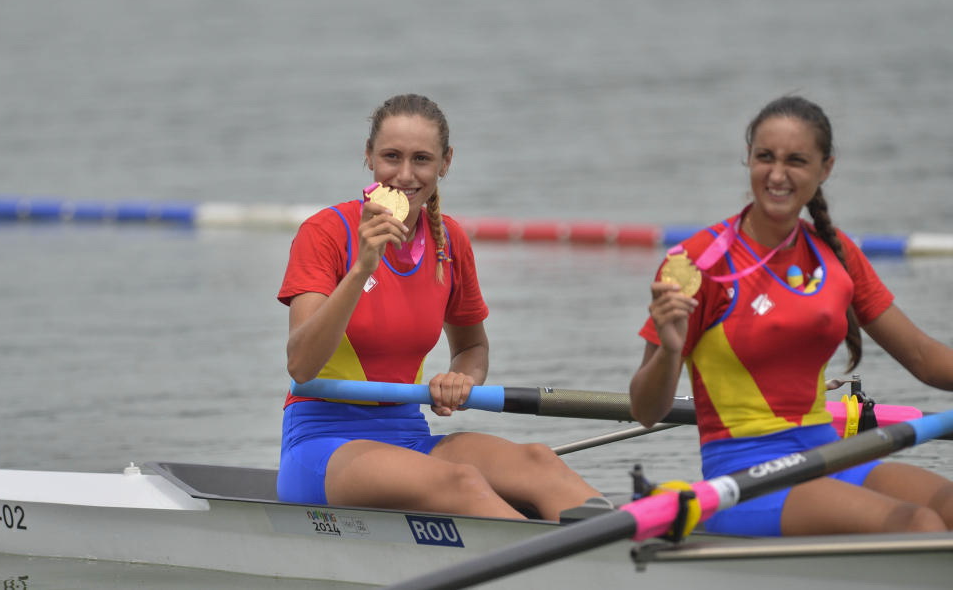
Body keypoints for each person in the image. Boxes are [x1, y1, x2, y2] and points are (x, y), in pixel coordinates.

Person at [630, 95, 953, 537]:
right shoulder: (698, 262)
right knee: (919, 523)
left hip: (828, 457)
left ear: (825, 169)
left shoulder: (834, 251)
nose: (777, 175)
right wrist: (669, 352)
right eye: (765, 157)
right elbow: (646, 410)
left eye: (796, 161)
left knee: (948, 508)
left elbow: (922, 356)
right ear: (748, 159)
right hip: (745, 479)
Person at [277, 93, 601, 520]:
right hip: (324, 444)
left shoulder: (450, 241)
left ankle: (632, 555)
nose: (405, 175)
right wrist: (361, 269)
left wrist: (462, 380)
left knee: (538, 461)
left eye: (422, 160)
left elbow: (472, 348)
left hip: (410, 437)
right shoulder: (325, 233)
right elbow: (301, 365)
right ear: (368, 157)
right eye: (391, 157)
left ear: (445, 163)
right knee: (463, 482)